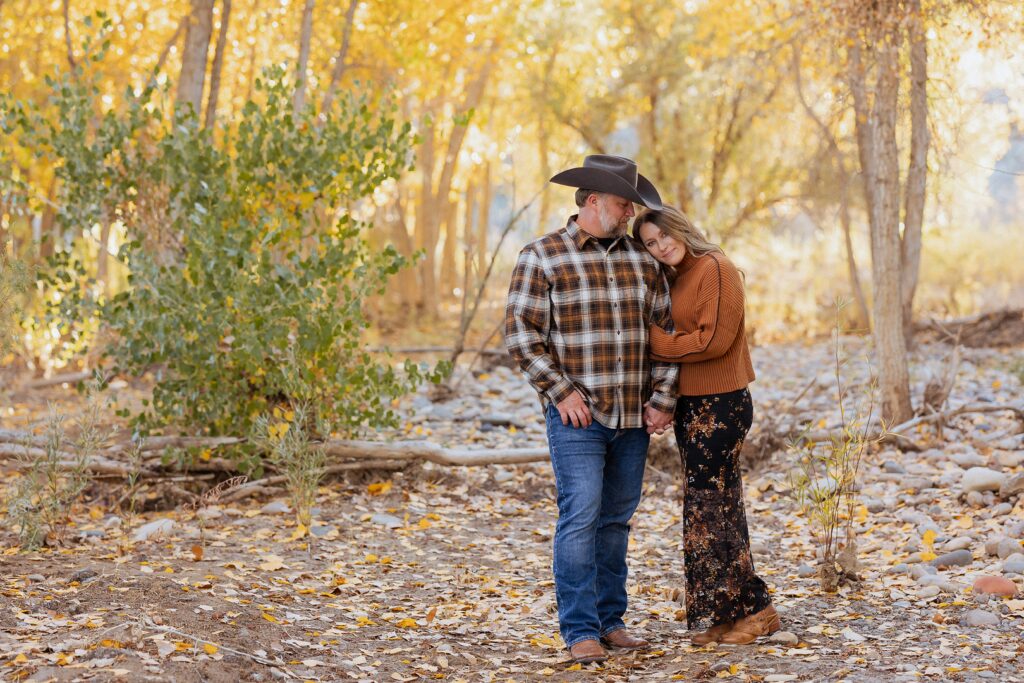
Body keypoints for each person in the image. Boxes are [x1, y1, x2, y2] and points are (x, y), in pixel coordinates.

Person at [505, 155, 680, 663]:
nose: (630, 214)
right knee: (580, 518)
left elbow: (665, 336)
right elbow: (522, 336)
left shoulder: (643, 262)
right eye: (623, 204)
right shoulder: (541, 256)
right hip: (576, 418)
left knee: (616, 521)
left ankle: (611, 621)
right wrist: (561, 392)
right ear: (592, 200)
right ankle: (580, 630)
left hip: (633, 419)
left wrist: (662, 400)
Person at [633, 205, 780, 646]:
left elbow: (712, 341)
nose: (661, 247)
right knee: (709, 510)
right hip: (693, 406)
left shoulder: (717, 267)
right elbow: (690, 341)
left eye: (664, 236)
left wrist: (651, 340)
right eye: (650, 244)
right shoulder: (677, 276)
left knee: (713, 510)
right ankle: (724, 613)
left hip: (722, 404)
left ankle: (757, 610)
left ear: (681, 228)